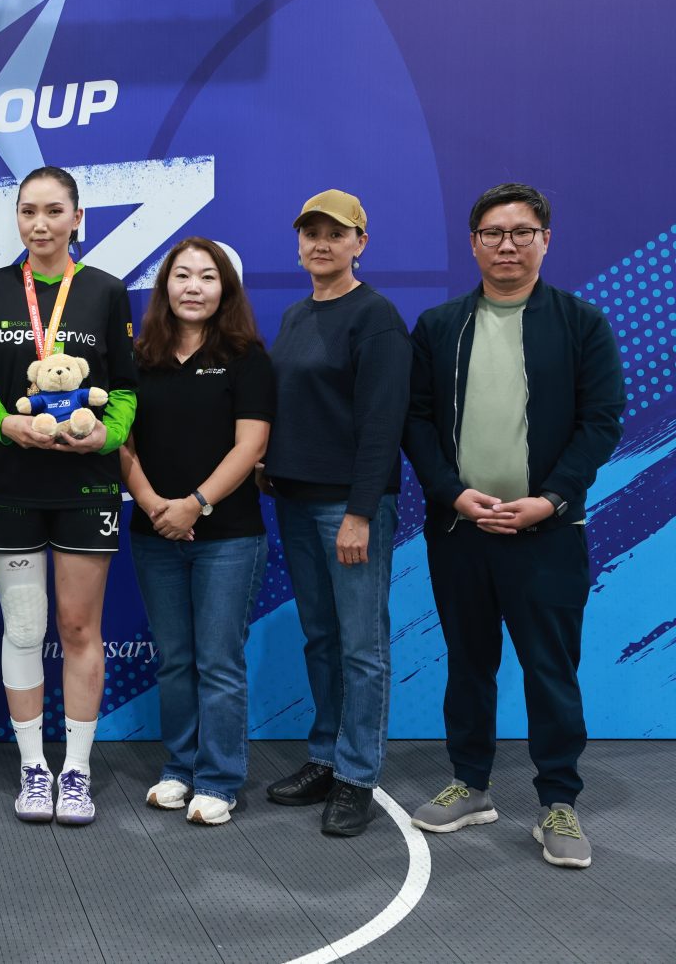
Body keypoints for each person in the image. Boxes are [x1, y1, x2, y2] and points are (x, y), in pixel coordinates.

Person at [403, 183, 623, 869]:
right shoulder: (439, 326)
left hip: (547, 531)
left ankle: (559, 800)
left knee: (550, 670)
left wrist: (551, 499)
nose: (507, 244)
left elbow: (601, 423)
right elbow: (415, 421)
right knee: (469, 663)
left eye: (522, 232)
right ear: (473, 243)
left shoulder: (581, 323)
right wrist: (453, 495)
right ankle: (471, 783)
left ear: (545, 240)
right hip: (460, 532)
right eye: (493, 233)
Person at [0, 165, 137, 824]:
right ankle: (33, 767)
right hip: (12, 481)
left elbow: (125, 389)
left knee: (78, 626)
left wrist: (105, 437)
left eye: (53, 211)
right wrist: (3, 424)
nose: (40, 224)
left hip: (85, 483)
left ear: (77, 218)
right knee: (25, 627)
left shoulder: (105, 291)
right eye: (28, 211)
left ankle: (78, 770)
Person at [260, 189, 410, 837]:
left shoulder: (376, 317)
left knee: (362, 648)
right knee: (321, 639)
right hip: (295, 504)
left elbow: (382, 425)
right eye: (311, 233)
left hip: (349, 509)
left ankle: (356, 776)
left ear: (360, 243)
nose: (321, 243)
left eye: (336, 233)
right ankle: (325, 756)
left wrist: (360, 513)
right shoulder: (296, 315)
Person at [120, 238, 273, 826]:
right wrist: (155, 505)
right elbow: (122, 442)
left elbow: (250, 446)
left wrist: (195, 505)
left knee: (219, 661)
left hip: (228, 536)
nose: (193, 287)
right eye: (182, 275)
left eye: (207, 277)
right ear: (165, 286)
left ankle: (218, 779)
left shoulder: (246, 358)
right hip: (153, 532)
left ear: (225, 288)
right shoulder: (139, 358)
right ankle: (179, 769)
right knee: (175, 660)